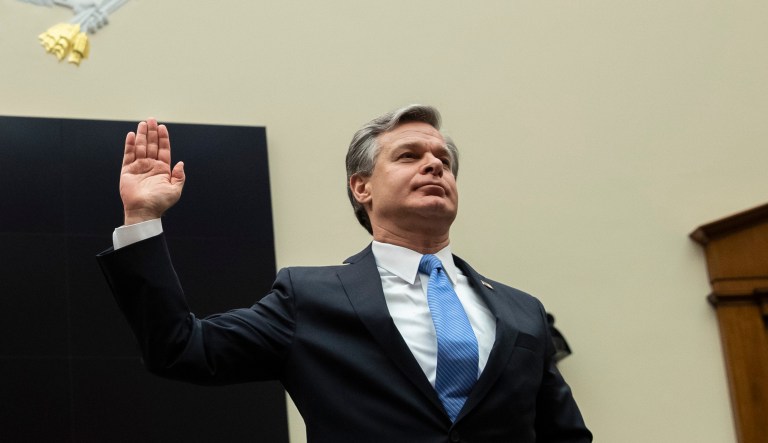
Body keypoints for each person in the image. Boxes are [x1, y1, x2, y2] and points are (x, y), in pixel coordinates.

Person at [97, 105, 592, 443]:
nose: (434, 167)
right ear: (362, 188)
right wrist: (142, 220)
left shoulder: (520, 310)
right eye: (409, 156)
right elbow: (181, 349)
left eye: (443, 160)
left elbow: (565, 434)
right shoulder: (308, 297)